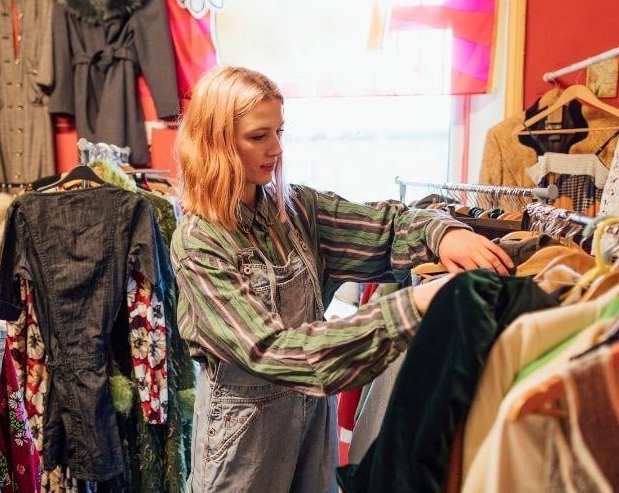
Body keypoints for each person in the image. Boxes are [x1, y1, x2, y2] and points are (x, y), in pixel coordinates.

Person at [170, 65, 514, 492]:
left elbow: (384, 226)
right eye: (258, 136)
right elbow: (273, 352)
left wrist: (444, 233)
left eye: (280, 131)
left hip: (314, 421)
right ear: (215, 143)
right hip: (244, 435)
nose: (276, 148)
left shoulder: (296, 210)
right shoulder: (199, 243)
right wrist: (412, 306)